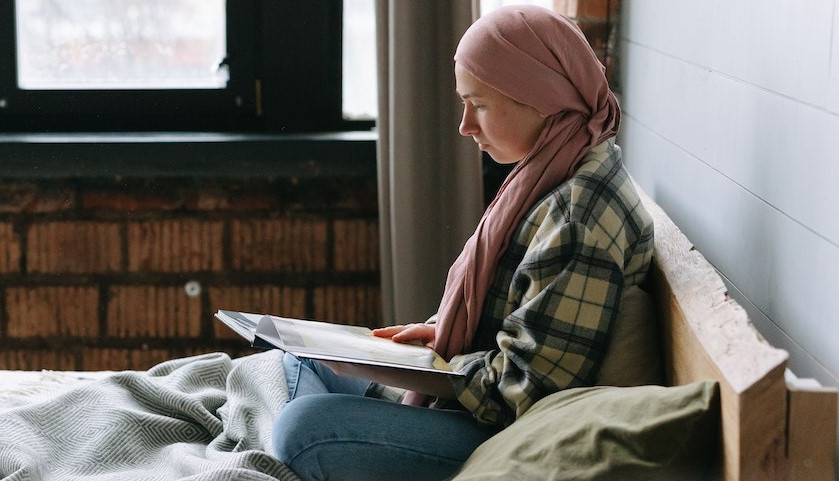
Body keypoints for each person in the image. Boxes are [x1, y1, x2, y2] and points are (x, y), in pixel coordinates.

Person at [269, 6, 655, 480]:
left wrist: (445, 365)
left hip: (503, 433)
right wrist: (441, 340)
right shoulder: (558, 169)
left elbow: (526, 392)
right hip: (478, 401)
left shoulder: (578, 217)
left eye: (481, 104)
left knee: (300, 427)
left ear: (542, 97)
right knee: (294, 356)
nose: (465, 125)